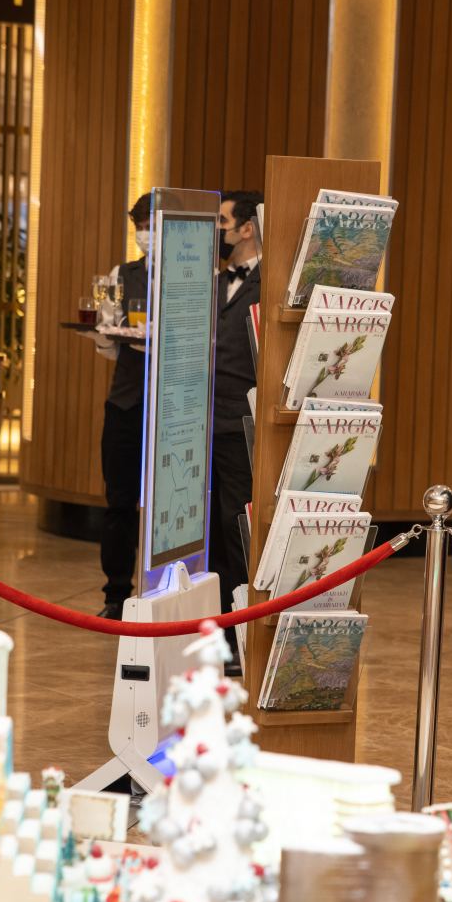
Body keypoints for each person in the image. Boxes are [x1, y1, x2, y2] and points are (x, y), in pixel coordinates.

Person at [207, 190, 262, 652]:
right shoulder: (214, 279)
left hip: (239, 421)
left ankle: (241, 630)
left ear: (247, 228)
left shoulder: (268, 280)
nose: (218, 232)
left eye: (223, 222)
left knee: (235, 526)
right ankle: (215, 627)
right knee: (208, 531)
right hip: (201, 421)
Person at [93, 195, 153, 617]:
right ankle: (116, 593)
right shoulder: (122, 275)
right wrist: (106, 330)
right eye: (139, 225)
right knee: (119, 502)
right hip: (126, 401)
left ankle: (167, 591)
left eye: (151, 224)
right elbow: (107, 344)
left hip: (173, 404)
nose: (144, 234)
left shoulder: (198, 273)